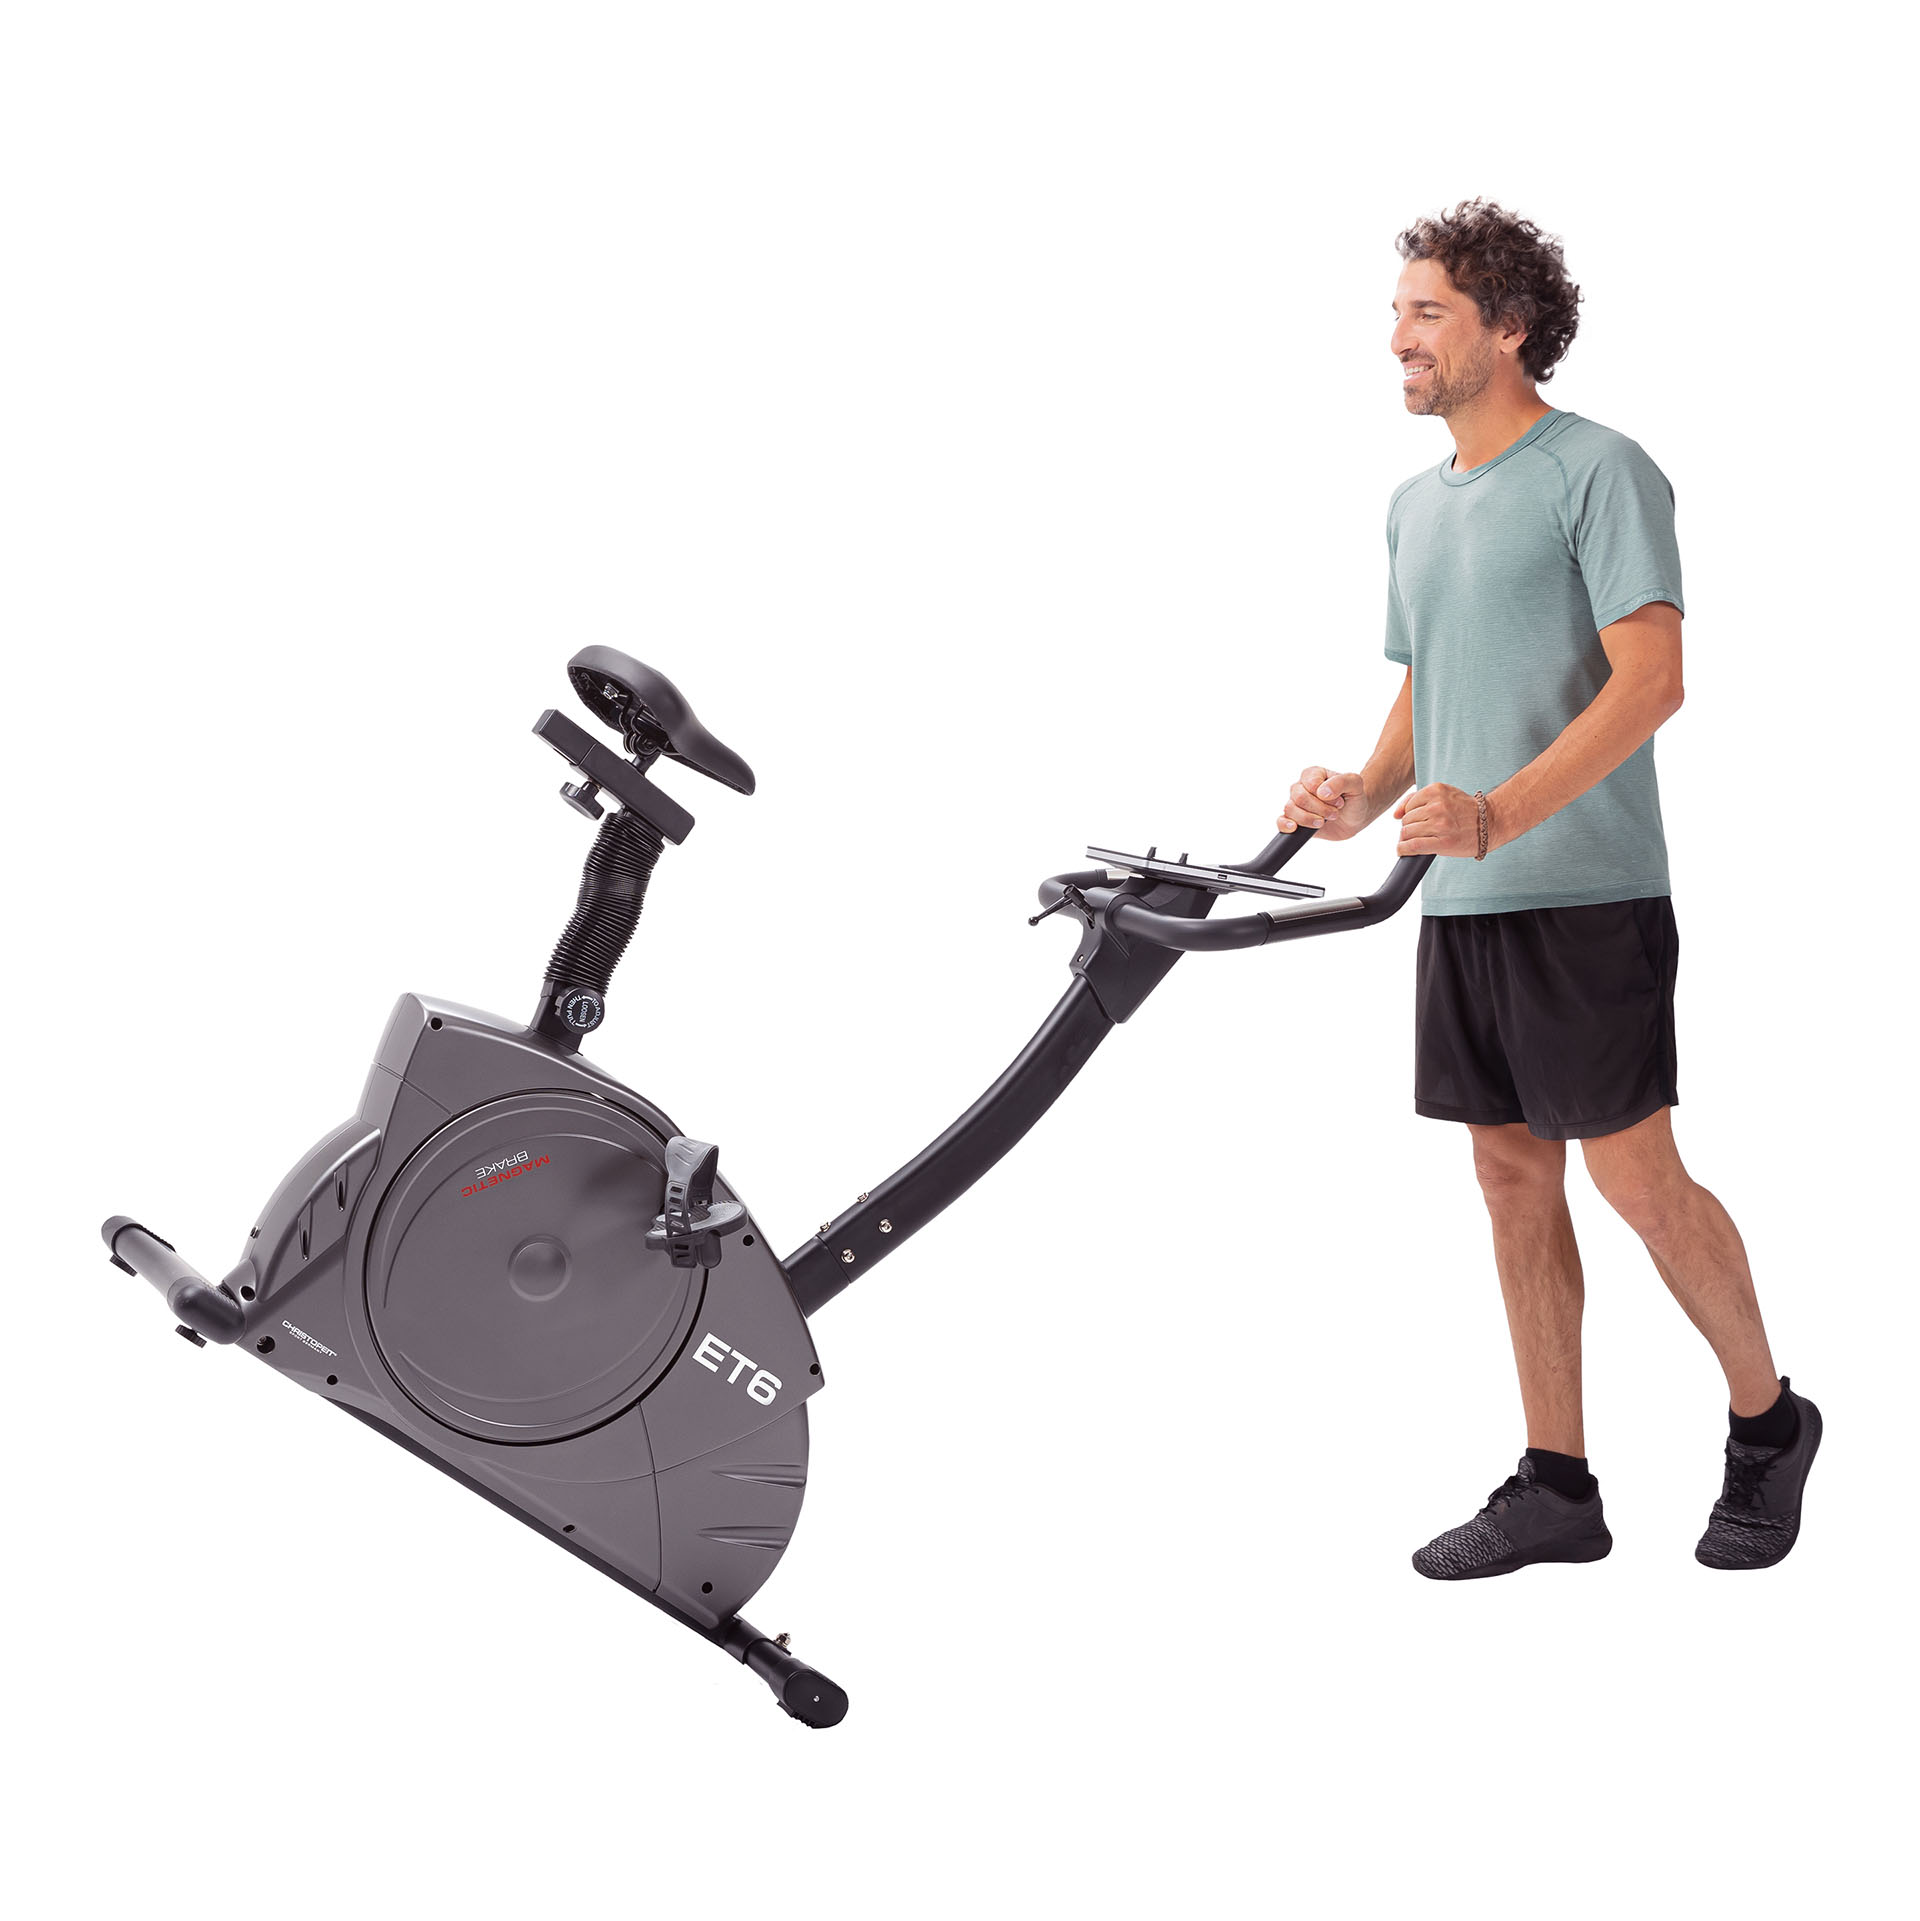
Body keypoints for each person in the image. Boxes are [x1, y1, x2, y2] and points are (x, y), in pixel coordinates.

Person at [1281, 200, 1819, 1577]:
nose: (1397, 337)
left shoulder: (1601, 471)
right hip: (1459, 898)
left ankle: (1769, 1424)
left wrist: (1500, 814)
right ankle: (1557, 1485)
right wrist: (1361, 794)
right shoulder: (1414, 505)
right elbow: (1433, 683)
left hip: (1585, 889)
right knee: (1510, 1177)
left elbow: (1656, 681)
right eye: (1397, 311)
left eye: (1428, 312)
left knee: (1638, 1178)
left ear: (1510, 328)